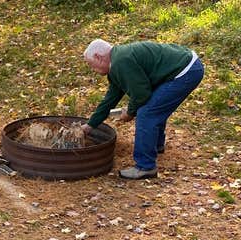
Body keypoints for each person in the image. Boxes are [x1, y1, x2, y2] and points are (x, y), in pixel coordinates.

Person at [82, 39, 204, 179]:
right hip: (185, 65)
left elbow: (141, 95)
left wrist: (129, 112)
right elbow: (111, 98)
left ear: (98, 57)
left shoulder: (122, 62)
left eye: (91, 65)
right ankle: (156, 145)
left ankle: (145, 167)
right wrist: (90, 125)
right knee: (154, 107)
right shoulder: (117, 63)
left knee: (147, 113)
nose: (92, 69)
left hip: (185, 71)